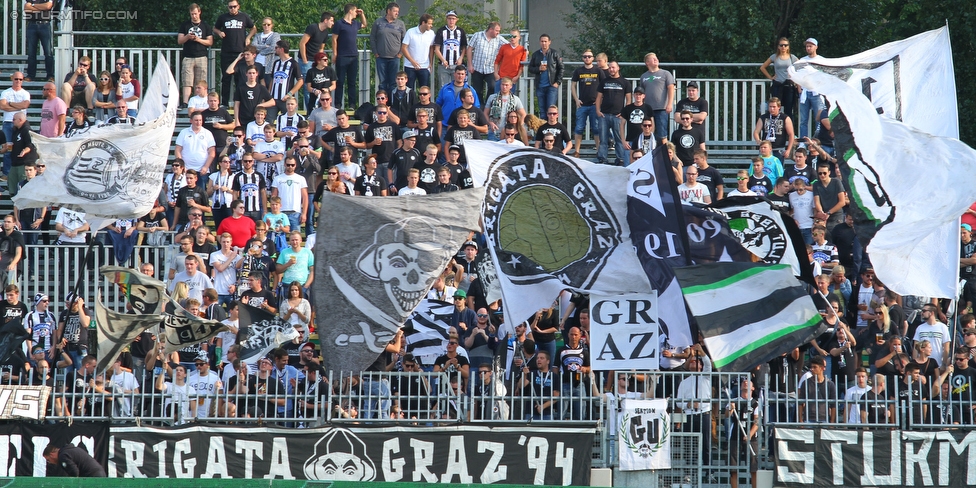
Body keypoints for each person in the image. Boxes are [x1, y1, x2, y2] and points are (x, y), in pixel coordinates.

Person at [213, 0, 256, 106]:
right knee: (226, 78)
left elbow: (253, 28)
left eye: (234, 6)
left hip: (240, 52)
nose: (232, 9)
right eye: (230, 7)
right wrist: (219, 32)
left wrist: (248, 37)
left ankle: (239, 102)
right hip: (226, 52)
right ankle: (224, 103)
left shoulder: (244, 17)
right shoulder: (223, 17)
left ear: (238, 7)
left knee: (240, 78)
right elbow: (215, 28)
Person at [676, 345, 713, 462]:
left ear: (700, 366)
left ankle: (709, 471)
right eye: (691, 361)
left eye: (696, 361)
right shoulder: (684, 382)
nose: (693, 362)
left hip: (704, 414)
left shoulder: (706, 377)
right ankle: (690, 473)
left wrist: (702, 352)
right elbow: (678, 402)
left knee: (706, 445)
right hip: (689, 415)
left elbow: (708, 365)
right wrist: (688, 405)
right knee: (689, 446)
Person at [331, 4, 367, 109]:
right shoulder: (339, 23)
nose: (356, 13)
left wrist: (362, 14)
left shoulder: (355, 23)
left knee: (352, 82)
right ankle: (338, 104)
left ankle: (352, 104)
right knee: (340, 81)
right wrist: (335, 53)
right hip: (342, 55)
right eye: (355, 11)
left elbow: (364, 24)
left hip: (353, 56)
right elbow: (334, 39)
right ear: (350, 11)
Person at [595, 61, 631, 166]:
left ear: (618, 68)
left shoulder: (625, 82)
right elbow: (598, 97)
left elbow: (628, 99)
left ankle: (620, 159)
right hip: (604, 115)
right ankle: (602, 158)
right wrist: (597, 110)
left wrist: (624, 113)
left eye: (613, 67)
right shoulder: (604, 81)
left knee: (619, 139)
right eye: (610, 68)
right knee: (603, 139)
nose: (611, 69)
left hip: (618, 116)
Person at [178, 4, 213, 107]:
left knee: (200, 81)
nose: (194, 16)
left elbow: (210, 42)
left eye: (195, 14)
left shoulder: (205, 26)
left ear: (199, 12)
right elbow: (180, 40)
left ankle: (199, 102)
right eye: (192, 14)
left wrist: (198, 39)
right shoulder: (185, 25)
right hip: (188, 56)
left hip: (201, 56)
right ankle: (185, 102)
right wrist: (188, 37)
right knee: (187, 80)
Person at [570, 49, 604, 158]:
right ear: (582, 58)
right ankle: (577, 151)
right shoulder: (578, 71)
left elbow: (604, 86)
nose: (587, 58)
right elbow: (573, 86)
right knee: (579, 128)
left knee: (596, 128)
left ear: (593, 58)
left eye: (589, 56)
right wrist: (576, 99)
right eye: (585, 56)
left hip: (595, 105)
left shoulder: (598, 71)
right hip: (582, 104)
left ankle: (599, 151)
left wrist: (600, 100)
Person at [298, 11, 335, 110]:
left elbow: (321, 49)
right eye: (331, 20)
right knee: (308, 87)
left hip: (316, 61)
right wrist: (305, 60)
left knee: (317, 84)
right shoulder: (313, 28)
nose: (333, 23)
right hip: (306, 59)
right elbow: (302, 43)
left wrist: (321, 60)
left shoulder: (326, 33)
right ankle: (310, 110)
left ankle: (319, 107)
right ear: (325, 20)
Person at [371, 2, 406, 96]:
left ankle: (392, 103)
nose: (397, 13)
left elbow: (405, 40)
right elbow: (372, 38)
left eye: (398, 11)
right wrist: (375, 52)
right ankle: (382, 104)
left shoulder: (400, 24)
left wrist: (400, 54)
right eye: (395, 11)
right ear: (388, 11)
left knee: (393, 83)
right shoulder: (378, 22)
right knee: (382, 83)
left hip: (395, 58)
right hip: (381, 57)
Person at [639, 52, 675, 144]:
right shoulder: (643, 76)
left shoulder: (665, 73)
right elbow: (641, 93)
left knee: (662, 135)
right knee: (648, 134)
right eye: (653, 58)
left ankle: (665, 156)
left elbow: (671, 88)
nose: (656, 60)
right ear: (647, 62)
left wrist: (669, 104)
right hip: (648, 109)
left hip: (661, 108)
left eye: (656, 58)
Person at [759, 37, 798, 120]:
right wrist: (770, 77)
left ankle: (789, 130)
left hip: (788, 85)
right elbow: (763, 67)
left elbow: (801, 66)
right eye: (781, 45)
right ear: (778, 47)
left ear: (788, 47)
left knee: (789, 109)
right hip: (777, 84)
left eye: (785, 45)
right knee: (775, 108)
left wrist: (794, 76)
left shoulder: (792, 57)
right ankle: (775, 128)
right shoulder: (774, 57)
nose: (783, 47)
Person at [1, 72, 30, 181]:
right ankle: (6, 173)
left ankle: (20, 173)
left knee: (21, 148)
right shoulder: (5, 92)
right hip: (8, 122)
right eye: (16, 79)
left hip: (21, 124)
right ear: (12, 79)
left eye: (20, 79)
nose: (18, 81)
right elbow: (2, 106)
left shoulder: (25, 93)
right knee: (8, 149)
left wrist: (11, 104)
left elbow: (25, 105)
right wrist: (19, 107)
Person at [466, 22, 503, 102]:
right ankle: (480, 107)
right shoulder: (477, 35)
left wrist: (523, 51)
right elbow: (469, 49)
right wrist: (470, 64)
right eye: (497, 30)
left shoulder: (499, 38)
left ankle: (488, 104)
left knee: (493, 87)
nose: (498, 33)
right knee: (477, 90)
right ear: (490, 29)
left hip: (490, 69)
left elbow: (509, 45)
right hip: (477, 68)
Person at [528, 34, 563, 117]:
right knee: (542, 111)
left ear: (549, 42)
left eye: (545, 41)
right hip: (540, 86)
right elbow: (530, 68)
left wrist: (557, 82)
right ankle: (543, 129)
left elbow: (561, 68)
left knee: (551, 110)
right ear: (539, 42)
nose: (544, 43)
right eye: (542, 41)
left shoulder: (555, 53)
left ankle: (551, 129)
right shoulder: (536, 54)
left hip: (551, 85)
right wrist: (539, 69)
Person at [753, 97, 795, 163]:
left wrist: (788, 149)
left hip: (779, 148)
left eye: (774, 107)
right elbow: (756, 132)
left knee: (777, 169)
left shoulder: (785, 118)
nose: (772, 109)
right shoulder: (763, 117)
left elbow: (791, 134)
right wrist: (758, 141)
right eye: (770, 107)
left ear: (779, 107)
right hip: (766, 148)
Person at [433, 10, 468, 89]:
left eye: (453, 18)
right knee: (444, 87)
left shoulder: (460, 31)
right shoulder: (441, 31)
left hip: (457, 64)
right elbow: (437, 48)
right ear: (446, 19)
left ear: (456, 19)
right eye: (449, 18)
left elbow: (464, 47)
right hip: (444, 65)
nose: (451, 20)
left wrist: (461, 58)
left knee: (458, 86)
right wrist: (443, 60)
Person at [796, 38, 823, 138]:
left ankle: (817, 140)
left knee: (818, 118)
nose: (808, 48)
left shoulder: (821, 60)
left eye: (810, 46)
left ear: (816, 47)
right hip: (805, 91)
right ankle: (803, 141)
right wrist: (799, 87)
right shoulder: (802, 60)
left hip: (816, 91)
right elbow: (797, 74)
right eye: (807, 46)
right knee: (803, 119)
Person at [798, 356, 836, 423]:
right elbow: (800, 402)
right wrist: (800, 420)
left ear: (821, 368)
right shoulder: (806, 383)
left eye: (815, 367)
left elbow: (833, 405)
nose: (812, 369)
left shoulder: (830, 384)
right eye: (811, 367)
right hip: (809, 418)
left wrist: (832, 422)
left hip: (824, 418)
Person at [24, 0, 55, 82]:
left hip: (45, 24)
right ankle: (30, 75)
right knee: (31, 53)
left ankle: (50, 75)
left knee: (48, 52)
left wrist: (33, 6)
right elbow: (27, 8)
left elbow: (48, 6)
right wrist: (42, 8)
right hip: (32, 25)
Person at [913, 303, 951, 369]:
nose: (922, 313)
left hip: (938, 364)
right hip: (921, 365)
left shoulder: (943, 327)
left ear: (932, 313)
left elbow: (946, 348)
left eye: (924, 311)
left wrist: (944, 364)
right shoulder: (920, 328)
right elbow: (915, 347)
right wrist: (914, 364)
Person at [812, 163, 847, 233]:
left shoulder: (836, 182)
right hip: (823, 216)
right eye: (820, 173)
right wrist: (821, 213)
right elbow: (817, 202)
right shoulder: (816, 184)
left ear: (829, 172)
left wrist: (828, 213)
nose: (822, 175)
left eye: (824, 173)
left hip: (836, 216)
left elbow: (842, 202)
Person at [492, 29, 525, 94]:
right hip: (501, 77)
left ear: (519, 37)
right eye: (511, 36)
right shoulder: (504, 47)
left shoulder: (522, 49)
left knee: (509, 99)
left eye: (514, 36)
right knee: (497, 98)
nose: (512, 38)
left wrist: (517, 76)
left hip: (512, 78)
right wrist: (495, 73)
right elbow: (497, 61)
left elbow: (522, 65)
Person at [251, 17, 280, 84]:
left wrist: (260, 52)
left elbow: (273, 48)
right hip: (257, 63)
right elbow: (253, 46)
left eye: (268, 24)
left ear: (272, 25)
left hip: (269, 66)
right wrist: (265, 46)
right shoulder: (258, 35)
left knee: (268, 85)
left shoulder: (275, 35)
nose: (266, 26)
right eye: (264, 24)